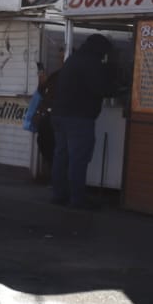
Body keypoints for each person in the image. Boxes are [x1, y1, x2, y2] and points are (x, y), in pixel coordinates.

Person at [51, 34, 121, 210]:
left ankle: (58, 195)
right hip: (78, 118)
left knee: (61, 156)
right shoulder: (91, 63)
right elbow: (101, 89)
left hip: (59, 115)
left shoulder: (73, 59)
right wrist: (117, 89)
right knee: (78, 159)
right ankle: (77, 200)